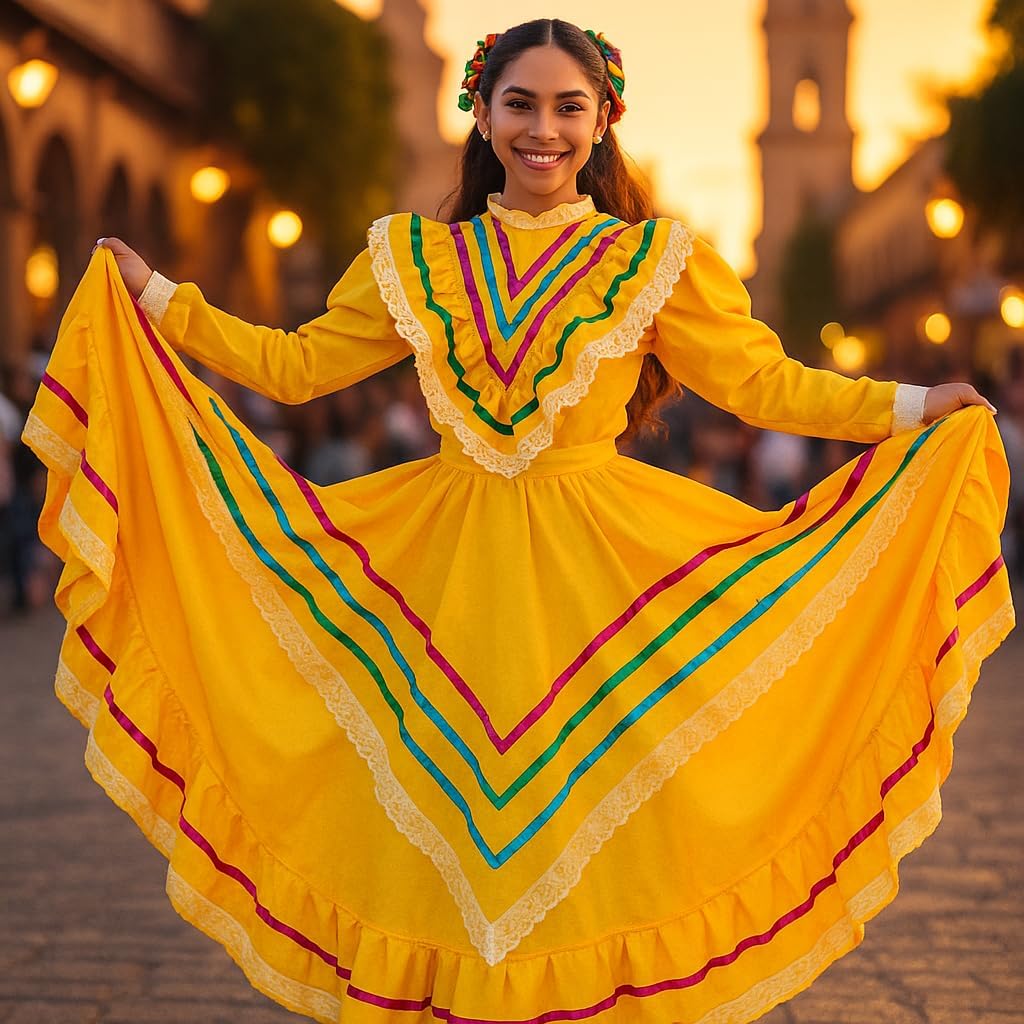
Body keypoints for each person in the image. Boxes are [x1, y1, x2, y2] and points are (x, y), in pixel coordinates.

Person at [24, 18, 1014, 1024]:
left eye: (567, 107)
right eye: (520, 103)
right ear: (482, 114)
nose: (543, 129)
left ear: (602, 122)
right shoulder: (414, 258)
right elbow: (295, 364)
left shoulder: (652, 260)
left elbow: (762, 384)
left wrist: (906, 408)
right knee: (438, 833)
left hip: (604, 580)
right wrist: (159, 298)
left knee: (595, 826)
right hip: (441, 577)